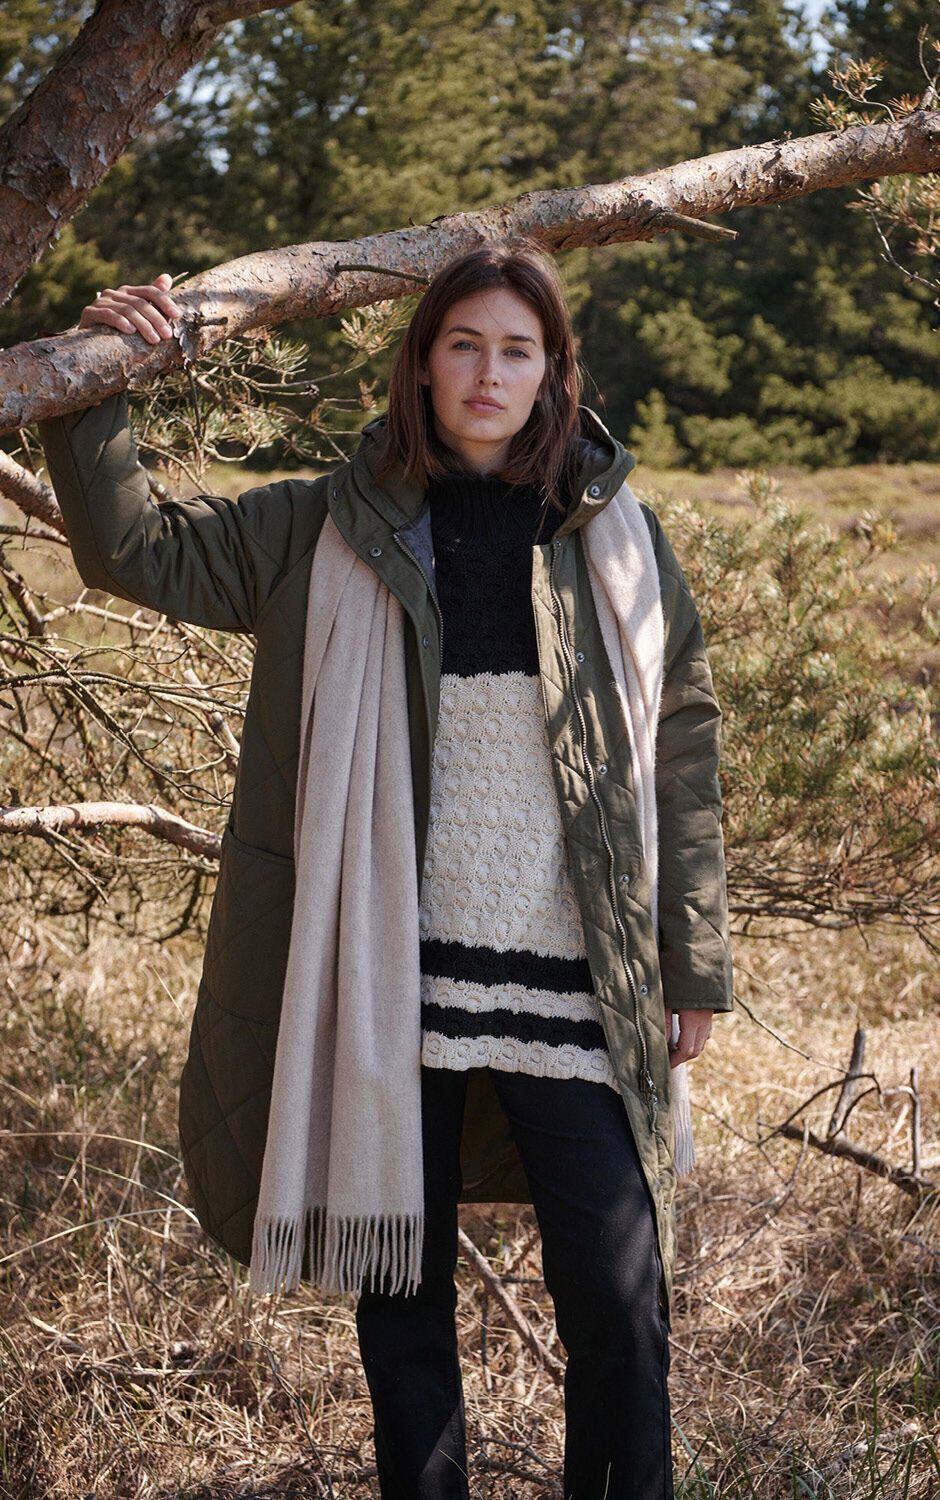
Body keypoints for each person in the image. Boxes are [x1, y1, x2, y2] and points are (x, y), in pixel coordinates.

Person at [39, 244, 733, 1500]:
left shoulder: (615, 536)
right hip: (386, 975)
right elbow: (136, 550)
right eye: (463, 344)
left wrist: (691, 959)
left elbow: (680, 744)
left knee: (618, 1296)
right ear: (420, 364)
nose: (488, 373)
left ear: (554, 372)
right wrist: (96, 382)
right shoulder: (326, 522)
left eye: (517, 350)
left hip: (574, 978)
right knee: (401, 1307)